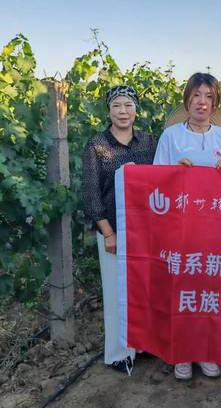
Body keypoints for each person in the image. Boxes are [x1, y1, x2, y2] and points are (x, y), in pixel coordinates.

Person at [153, 72, 221, 380]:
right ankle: (182, 352)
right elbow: (156, 179)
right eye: (196, 96)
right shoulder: (171, 136)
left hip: (214, 226)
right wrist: (174, 173)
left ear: (215, 104)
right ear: (187, 100)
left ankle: (206, 351)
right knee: (181, 288)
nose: (202, 102)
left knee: (210, 289)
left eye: (209, 97)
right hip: (180, 225)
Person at [83, 85, 157, 373]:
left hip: (146, 229)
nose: (123, 111)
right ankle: (118, 353)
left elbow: (161, 179)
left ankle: (142, 344)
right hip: (114, 230)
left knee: (143, 289)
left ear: (136, 109)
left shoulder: (148, 141)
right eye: (116, 106)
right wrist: (108, 233)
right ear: (109, 111)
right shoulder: (97, 145)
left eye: (128, 105)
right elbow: (91, 194)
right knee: (116, 292)